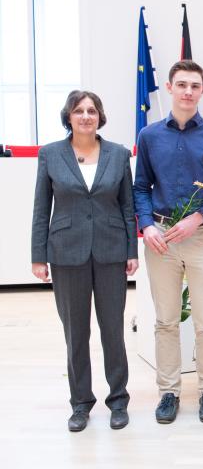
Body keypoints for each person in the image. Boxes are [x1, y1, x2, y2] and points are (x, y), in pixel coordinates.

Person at [134, 60, 203, 424]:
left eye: (195, 85)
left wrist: (198, 217)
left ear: (202, 90)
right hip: (160, 239)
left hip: (202, 236)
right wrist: (147, 226)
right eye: (182, 84)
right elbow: (140, 188)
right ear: (169, 87)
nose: (188, 91)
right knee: (165, 321)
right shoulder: (149, 136)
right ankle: (169, 392)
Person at [31, 90, 138, 432]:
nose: (86, 116)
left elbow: (127, 207)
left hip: (110, 251)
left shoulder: (118, 154)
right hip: (66, 253)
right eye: (79, 111)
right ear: (69, 116)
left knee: (112, 331)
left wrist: (131, 251)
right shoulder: (50, 155)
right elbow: (40, 209)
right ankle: (80, 403)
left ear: (100, 116)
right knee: (75, 333)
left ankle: (118, 400)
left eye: (92, 110)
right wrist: (38, 256)